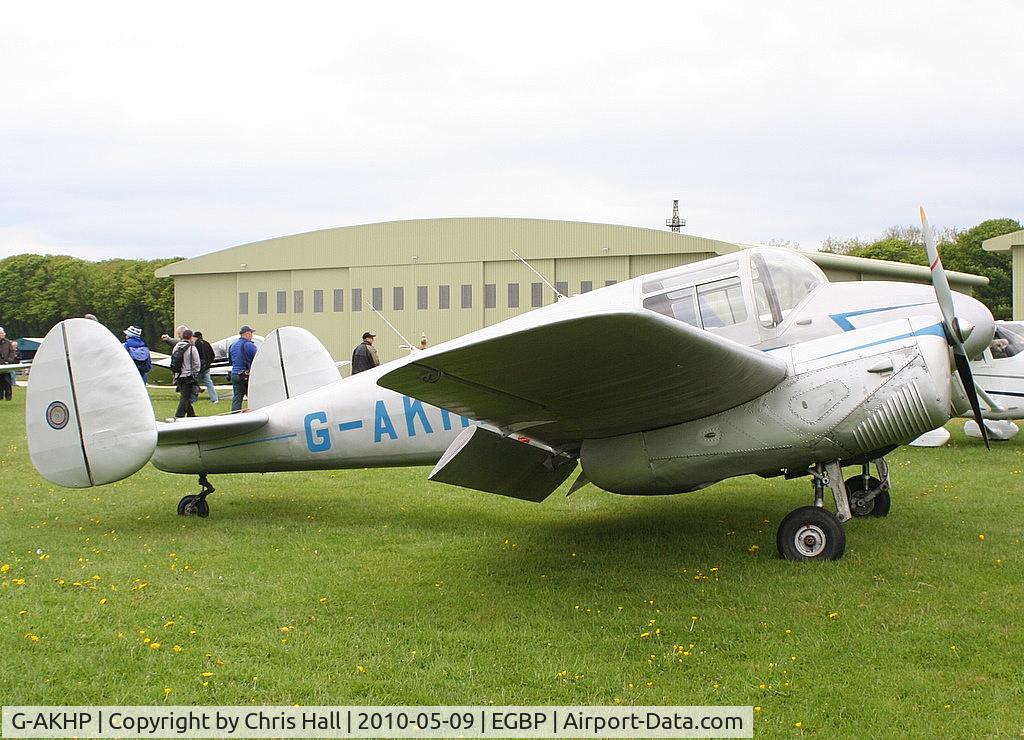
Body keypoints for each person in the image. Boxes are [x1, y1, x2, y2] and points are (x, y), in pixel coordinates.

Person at [172, 329, 201, 418]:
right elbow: (197, 363)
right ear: (191, 337)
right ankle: (179, 415)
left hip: (179, 375)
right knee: (185, 397)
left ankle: (191, 414)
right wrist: (196, 373)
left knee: (185, 395)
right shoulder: (192, 348)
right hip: (188, 376)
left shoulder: (176, 347)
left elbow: (173, 360)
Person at [228, 325, 258, 412]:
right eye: (251, 333)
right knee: (253, 396)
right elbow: (257, 359)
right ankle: (256, 413)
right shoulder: (249, 345)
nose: (252, 336)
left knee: (237, 396)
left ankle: (235, 415)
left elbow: (230, 361)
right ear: (247, 334)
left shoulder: (232, 345)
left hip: (234, 374)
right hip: (245, 375)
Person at [193, 331, 218, 404]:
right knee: (209, 383)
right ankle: (214, 398)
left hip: (198, 367)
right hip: (207, 367)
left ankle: (194, 399)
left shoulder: (195, 344)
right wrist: (208, 363)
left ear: (195, 337)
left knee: (195, 383)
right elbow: (213, 355)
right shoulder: (207, 343)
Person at [0, 327, 16, 400]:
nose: (1, 335)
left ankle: (8, 397)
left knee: (7, 381)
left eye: (1, 333)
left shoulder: (8, 342)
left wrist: (9, 360)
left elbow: (12, 352)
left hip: (6, 366)